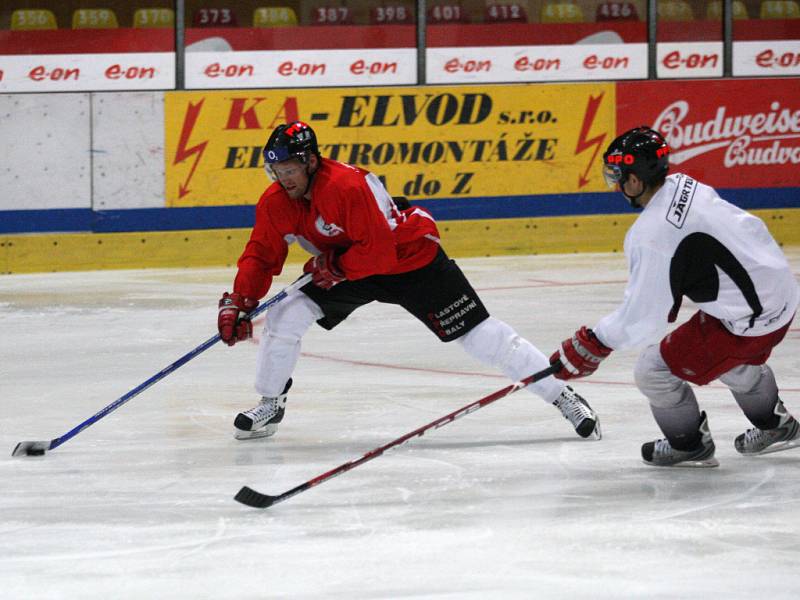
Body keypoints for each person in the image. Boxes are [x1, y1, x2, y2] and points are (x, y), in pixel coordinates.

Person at [217, 120, 601, 442]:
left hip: (408, 261)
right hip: (350, 266)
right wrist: (240, 301)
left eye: (289, 171)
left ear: (311, 162)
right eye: (276, 172)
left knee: (481, 336)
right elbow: (261, 254)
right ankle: (271, 402)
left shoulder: (349, 186)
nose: (283, 180)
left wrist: (337, 267)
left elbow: (380, 252)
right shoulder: (275, 203)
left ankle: (562, 395)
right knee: (287, 314)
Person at [550, 125, 799, 467]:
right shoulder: (685, 184)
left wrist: (594, 343)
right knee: (728, 358)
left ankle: (689, 445)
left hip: (750, 318)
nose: (616, 186)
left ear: (635, 180)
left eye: (617, 176)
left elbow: (645, 317)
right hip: (780, 294)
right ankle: (776, 424)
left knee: (653, 370)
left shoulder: (652, 234)